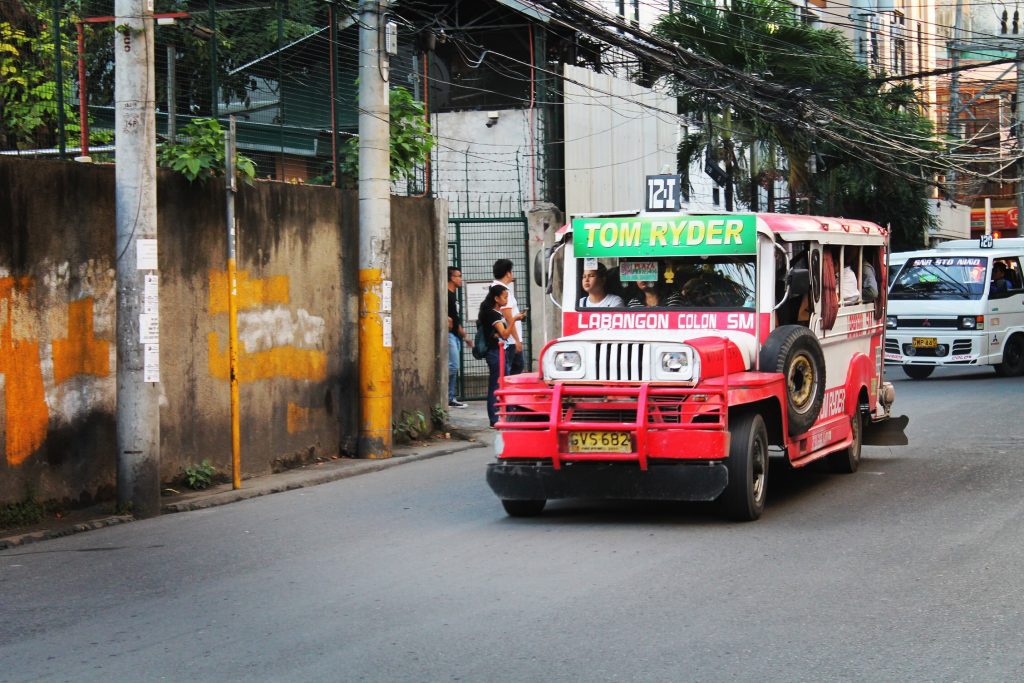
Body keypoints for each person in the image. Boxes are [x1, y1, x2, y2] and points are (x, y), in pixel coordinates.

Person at [478, 284, 514, 427]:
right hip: (494, 352)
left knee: (503, 383)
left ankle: (508, 413)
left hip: (497, 351)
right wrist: (514, 320)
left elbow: (496, 333)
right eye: (504, 297)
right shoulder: (492, 314)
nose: (506, 299)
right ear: (496, 298)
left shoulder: (490, 313)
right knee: (496, 385)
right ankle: (494, 418)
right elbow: (505, 334)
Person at [492, 258, 527, 375]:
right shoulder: (503, 291)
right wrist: (517, 340)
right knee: (511, 371)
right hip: (509, 341)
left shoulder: (495, 288)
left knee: (516, 368)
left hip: (508, 339)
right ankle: (505, 393)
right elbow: (507, 316)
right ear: (508, 273)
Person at [446, 267, 471, 408]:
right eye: (458, 276)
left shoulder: (453, 295)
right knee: (453, 366)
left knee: (454, 367)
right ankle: (443, 391)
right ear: (451, 278)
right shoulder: (446, 295)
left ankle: (450, 397)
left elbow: (456, 319)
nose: (460, 279)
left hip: (455, 335)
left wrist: (465, 336)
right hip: (449, 335)